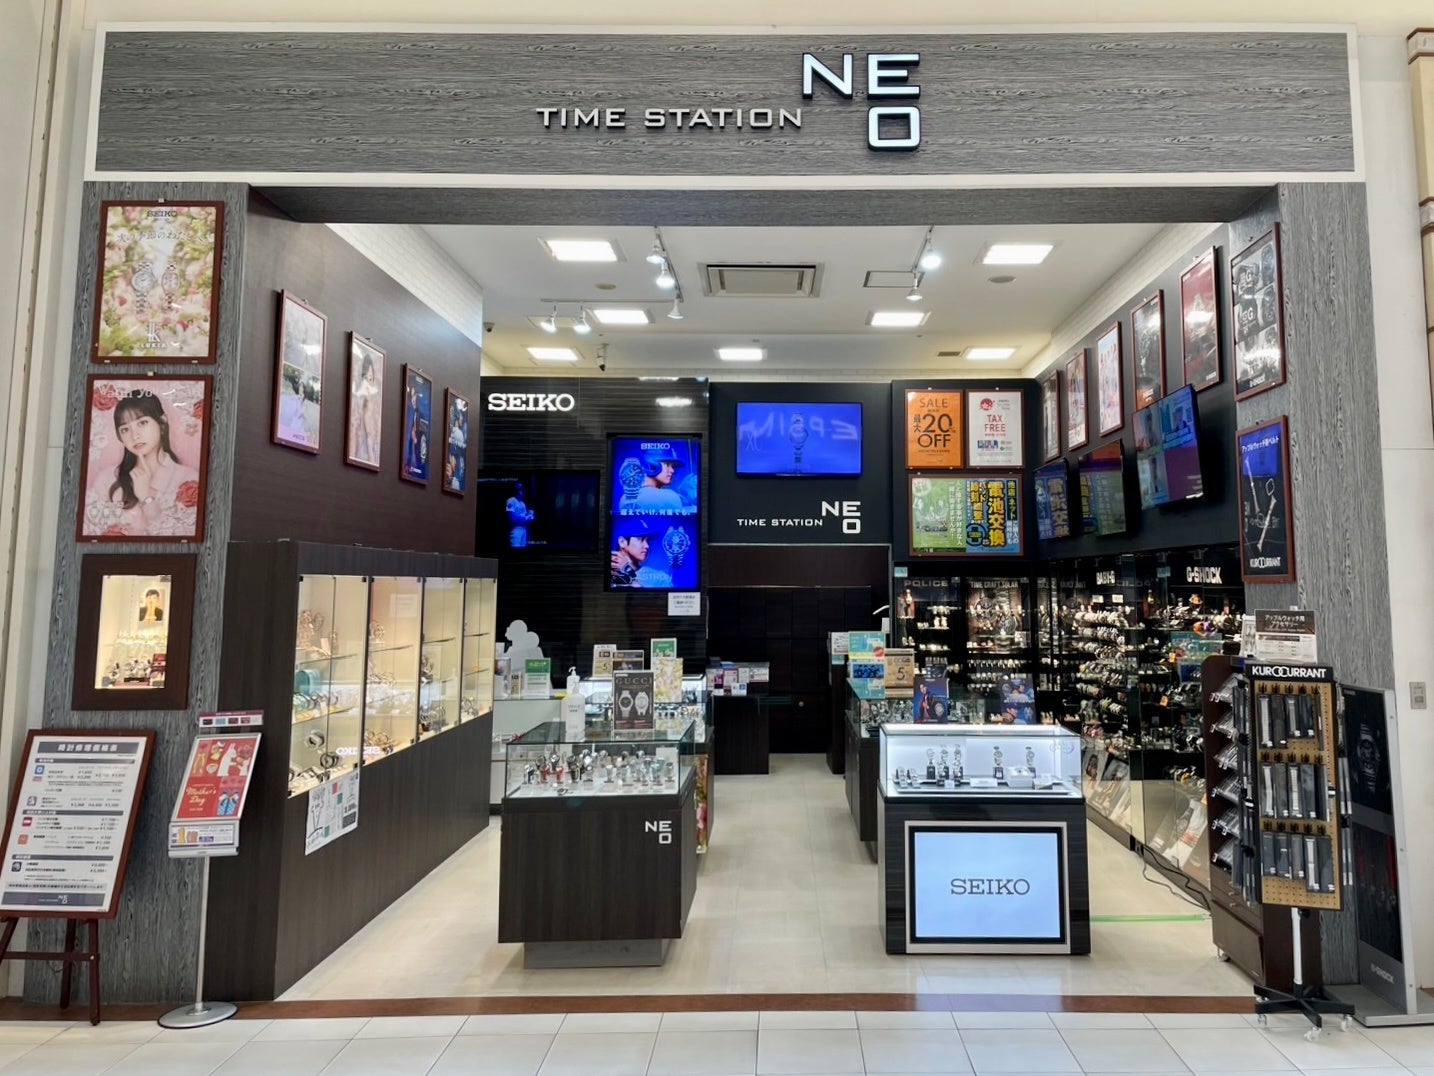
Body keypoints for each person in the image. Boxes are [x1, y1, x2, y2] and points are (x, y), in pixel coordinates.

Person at [89, 389, 200, 537]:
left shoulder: (188, 480)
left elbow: (183, 535)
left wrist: (146, 497)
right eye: (125, 429)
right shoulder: (106, 479)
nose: (134, 435)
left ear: (162, 422)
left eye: (142, 423)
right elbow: (93, 531)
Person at [348, 351, 380, 465]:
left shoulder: (374, 399)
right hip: (363, 444)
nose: (368, 383)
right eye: (366, 377)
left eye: (370, 378)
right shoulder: (360, 397)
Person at [506, 482, 535, 548]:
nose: (522, 491)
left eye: (523, 489)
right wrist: (525, 518)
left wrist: (530, 516)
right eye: (520, 489)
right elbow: (512, 518)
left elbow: (526, 518)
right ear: (516, 490)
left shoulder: (523, 504)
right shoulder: (511, 500)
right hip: (516, 529)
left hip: (524, 529)